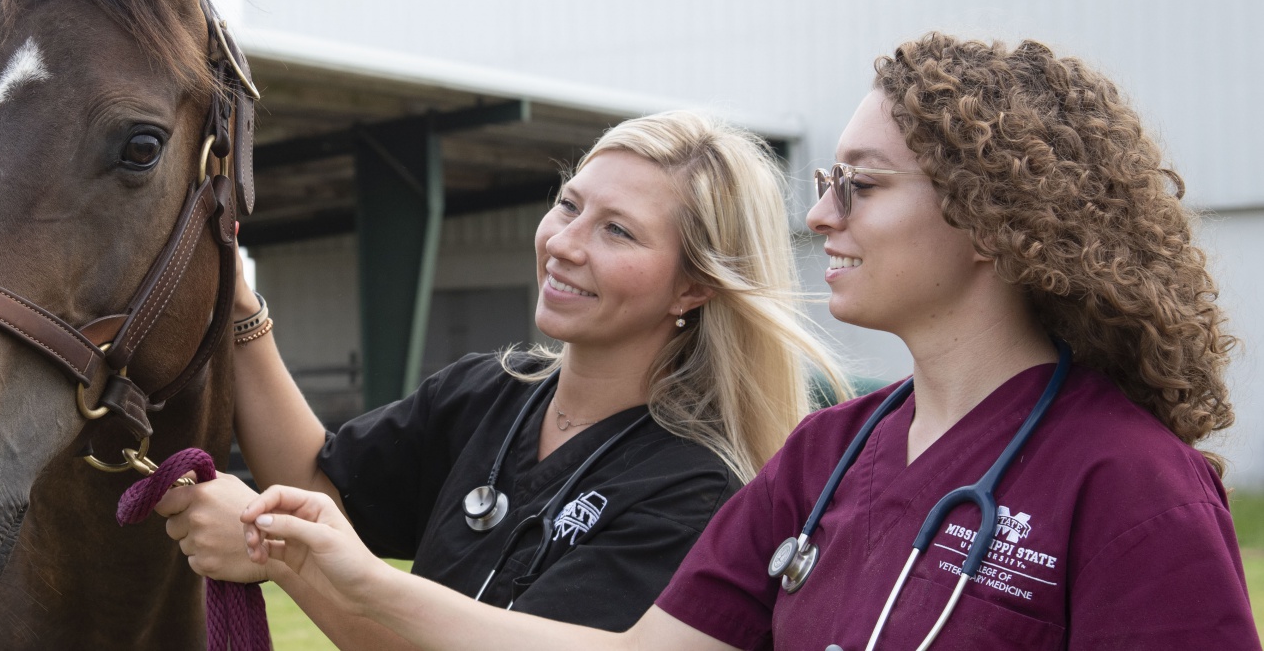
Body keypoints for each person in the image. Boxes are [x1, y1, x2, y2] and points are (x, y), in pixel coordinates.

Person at [231, 33, 1261, 650]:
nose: (819, 220)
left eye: (859, 185)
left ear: (991, 219)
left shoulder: (1128, 483)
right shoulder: (829, 456)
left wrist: (351, 579)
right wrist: (345, 574)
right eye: (825, 184)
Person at [154, 110, 850, 646]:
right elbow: (320, 484)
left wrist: (276, 555)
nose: (565, 244)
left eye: (618, 232)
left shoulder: (696, 491)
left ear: (693, 289)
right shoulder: (490, 392)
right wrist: (240, 308)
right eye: (570, 205)